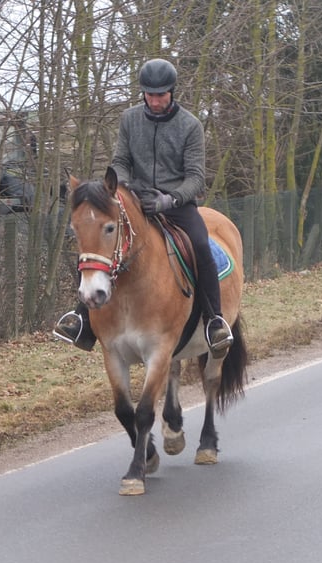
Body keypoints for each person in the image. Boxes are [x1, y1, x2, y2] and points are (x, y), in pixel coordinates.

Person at [54, 58, 233, 356]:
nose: (155, 100)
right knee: (95, 242)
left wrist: (170, 199)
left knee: (201, 245)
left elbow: (196, 177)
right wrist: (125, 187)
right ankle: (82, 320)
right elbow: (121, 161)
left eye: (160, 94)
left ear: (172, 92)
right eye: (150, 94)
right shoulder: (130, 119)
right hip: (135, 200)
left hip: (176, 204)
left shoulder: (190, 125)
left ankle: (214, 320)